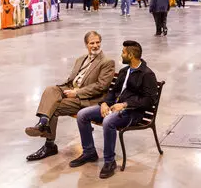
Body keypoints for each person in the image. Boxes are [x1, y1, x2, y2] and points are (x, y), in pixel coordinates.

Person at [71, 40, 158, 179]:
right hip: (113, 108)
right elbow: (113, 91)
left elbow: (149, 100)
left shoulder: (147, 74)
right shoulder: (124, 71)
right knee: (82, 114)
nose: (121, 54)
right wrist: (104, 103)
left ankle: (109, 162)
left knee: (108, 121)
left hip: (133, 112)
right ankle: (89, 152)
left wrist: (125, 105)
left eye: (123, 52)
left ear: (131, 55)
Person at [25, 31, 115, 161]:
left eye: (97, 42)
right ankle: (43, 122)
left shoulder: (107, 62)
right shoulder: (81, 59)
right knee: (50, 90)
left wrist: (77, 93)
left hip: (88, 99)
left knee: (54, 108)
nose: (95, 46)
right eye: (92, 43)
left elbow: (101, 86)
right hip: (71, 89)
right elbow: (71, 80)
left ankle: (49, 144)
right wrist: (65, 91)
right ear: (86, 44)